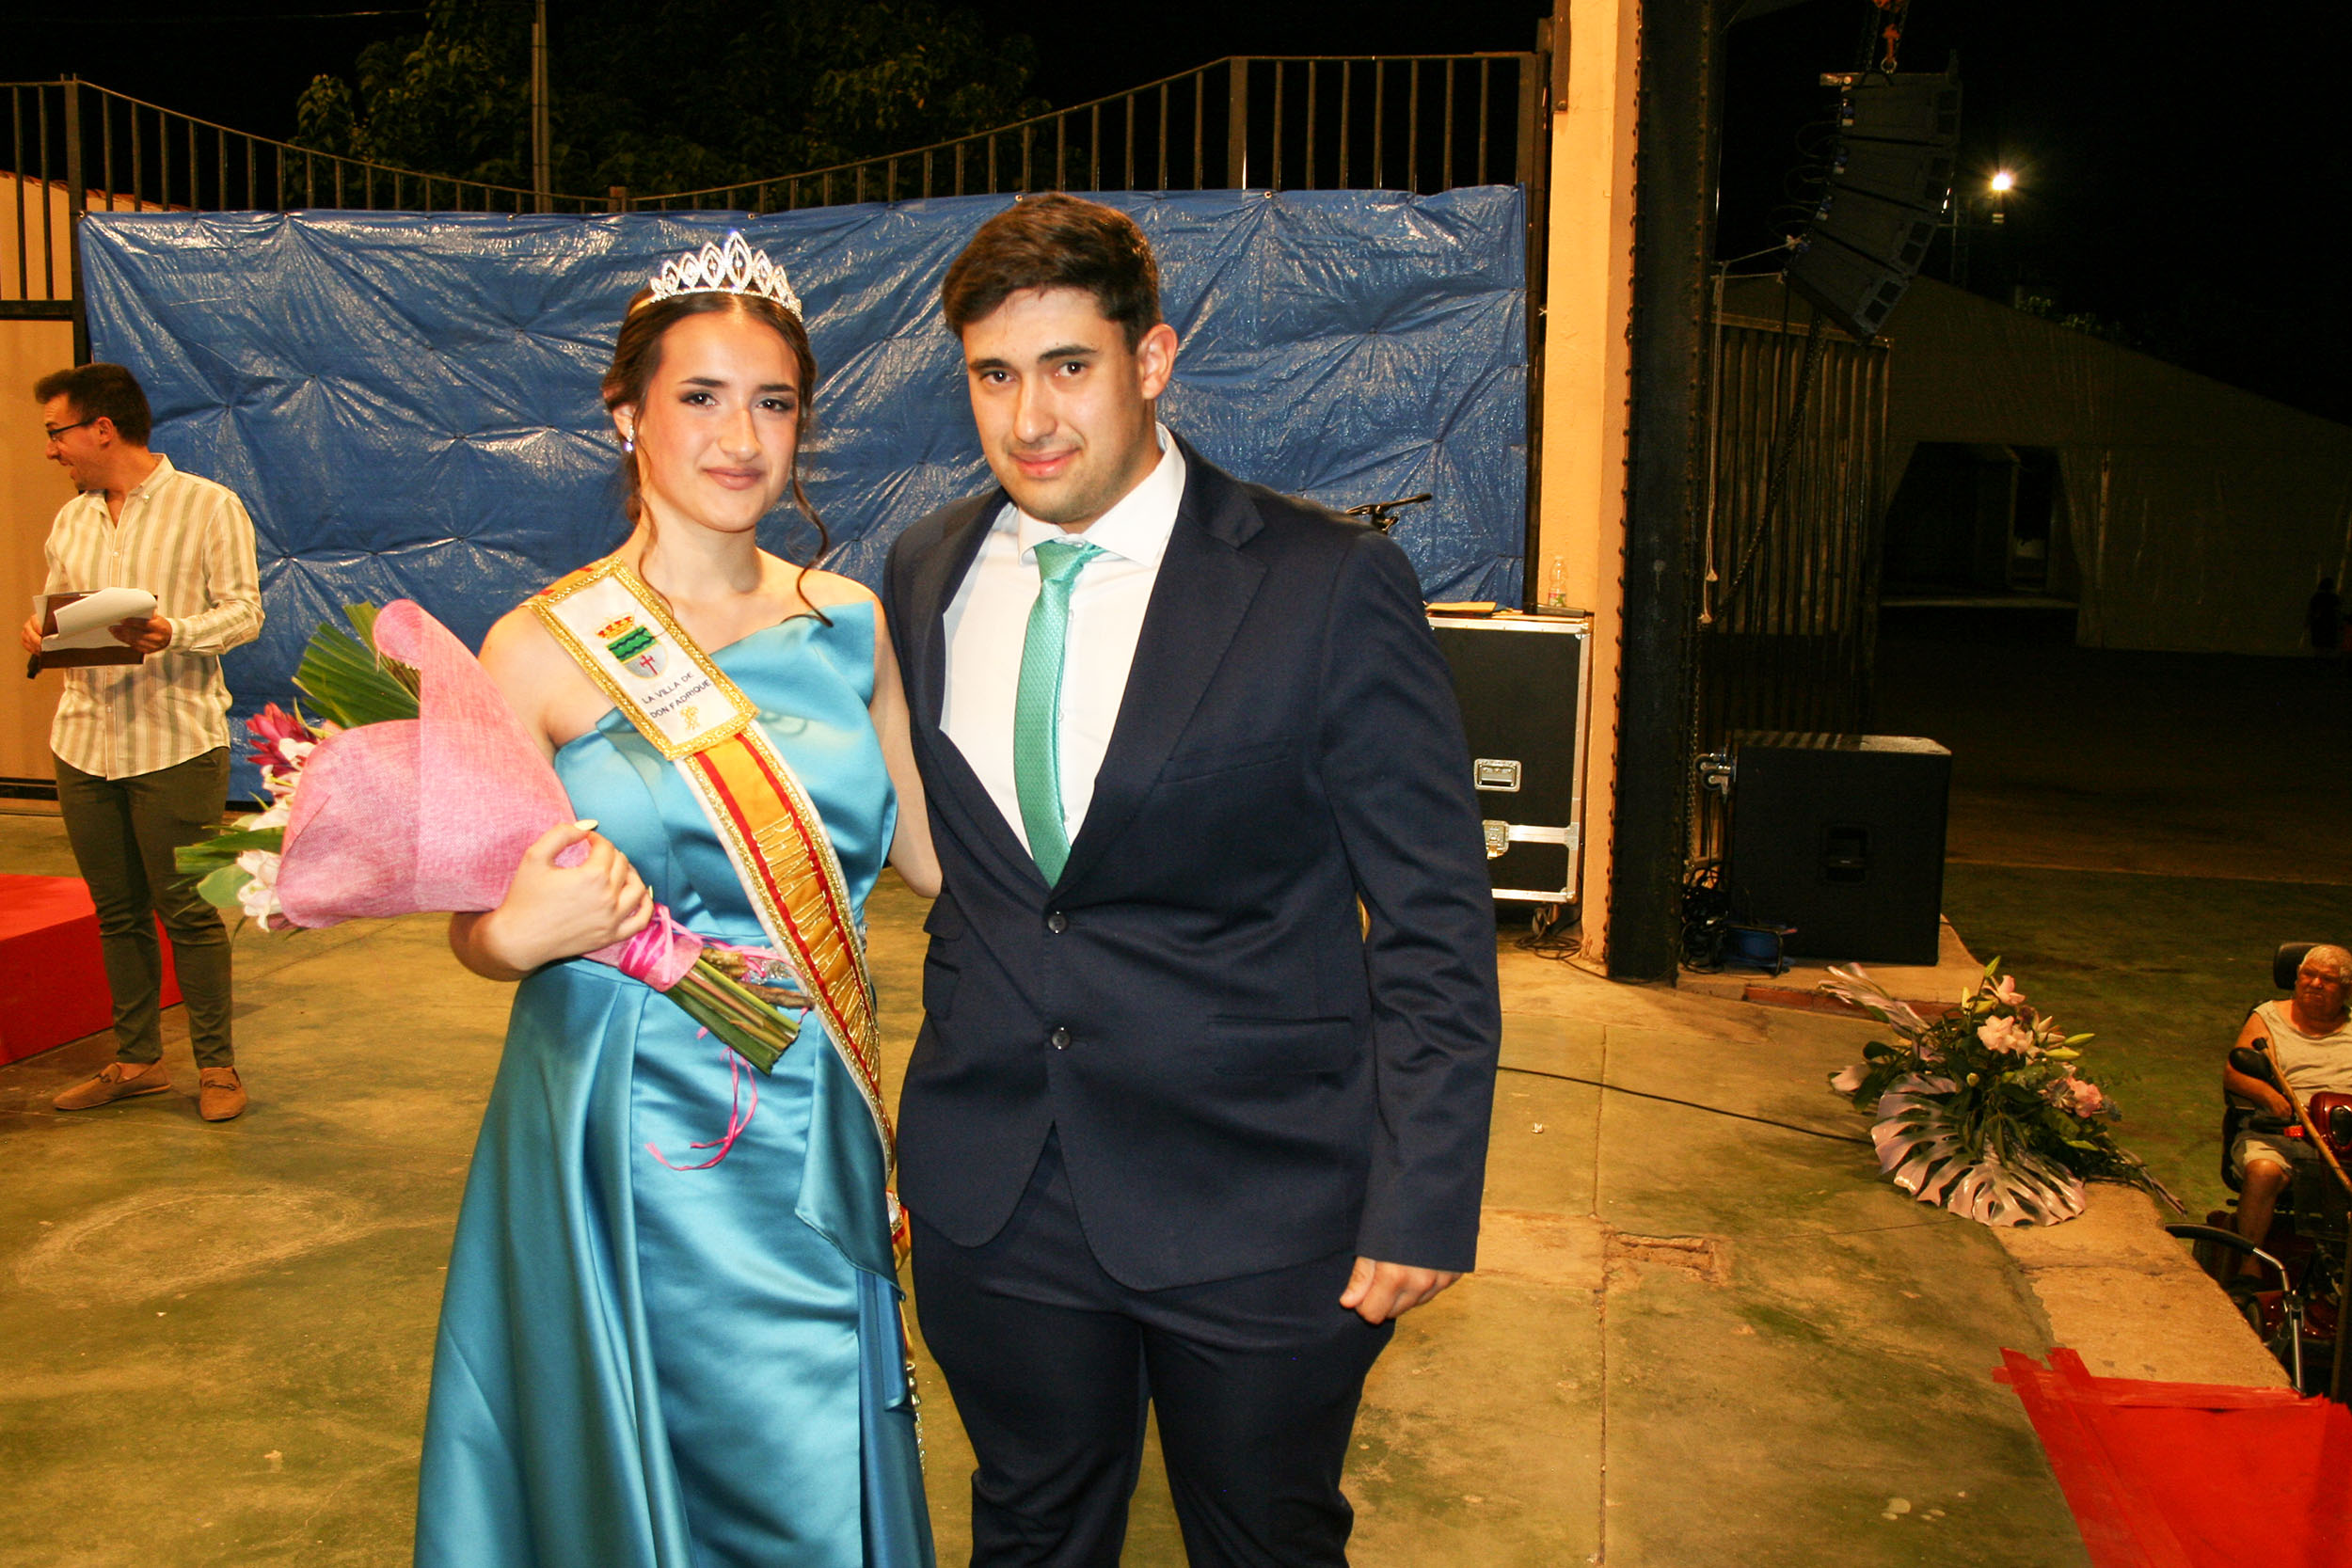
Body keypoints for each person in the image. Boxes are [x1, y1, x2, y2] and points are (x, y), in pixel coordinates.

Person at [882, 194, 1501, 1567]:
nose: (1030, 417)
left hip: (1259, 1197)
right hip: (1000, 1194)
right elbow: (984, 879)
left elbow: (1433, 917)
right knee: (1030, 1529)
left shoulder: (1323, 581)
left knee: (1265, 1538)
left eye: (1069, 366)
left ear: (1152, 359)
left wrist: (1423, 1188)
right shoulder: (927, 570)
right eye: (993, 374)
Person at [414, 234, 940, 1568]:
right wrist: (511, 936)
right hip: (621, 1115)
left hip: (809, 1099)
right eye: (699, 396)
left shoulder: (852, 621)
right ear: (626, 414)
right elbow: (480, 921)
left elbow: (942, 858)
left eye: (773, 402)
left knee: (802, 1451)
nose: (740, 438)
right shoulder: (539, 645)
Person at [24, 363, 262, 1123]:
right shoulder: (71, 520)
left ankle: (217, 1066)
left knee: (187, 909)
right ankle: (137, 1060)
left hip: (174, 742)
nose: (51, 449)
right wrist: (41, 632)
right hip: (83, 740)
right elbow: (61, 615)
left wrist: (175, 631)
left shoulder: (209, 505)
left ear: (102, 428)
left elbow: (245, 611)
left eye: (56, 432)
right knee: (116, 910)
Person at [2224, 942, 2352, 1273]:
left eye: (2327, 979)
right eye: (2308, 975)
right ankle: (2249, 1268)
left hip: (2341, 1141)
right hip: (2279, 1133)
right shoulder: (2268, 1016)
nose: (2315, 984)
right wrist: (2269, 1097)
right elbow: (2235, 1073)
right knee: (2263, 1171)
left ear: (2346, 990)